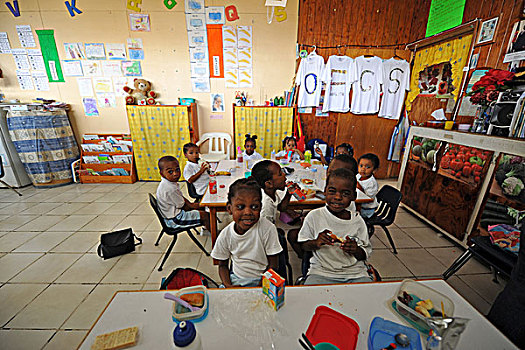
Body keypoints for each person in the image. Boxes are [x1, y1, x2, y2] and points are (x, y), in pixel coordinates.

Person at [298, 168, 372, 285]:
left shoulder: (358, 222)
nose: (337, 197)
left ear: (354, 196)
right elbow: (303, 245)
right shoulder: (314, 216)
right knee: (311, 297)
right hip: (321, 271)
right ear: (324, 192)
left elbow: (364, 254)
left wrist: (356, 249)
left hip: (354, 273)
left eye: (345, 193)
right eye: (332, 191)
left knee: (368, 296)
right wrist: (316, 242)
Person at [211, 178, 283, 287]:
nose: (248, 212)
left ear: (261, 207)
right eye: (240, 207)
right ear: (229, 208)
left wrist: (261, 285)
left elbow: (273, 265)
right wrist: (228, 286)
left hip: (263, 278)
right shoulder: (226, 235)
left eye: (254, 207)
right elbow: (222, 266)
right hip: (237, 279)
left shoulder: (267, 229)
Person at [251, 160, 303, 257]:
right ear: (269, 183)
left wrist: (289, 193)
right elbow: (264, 234)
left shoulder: (271, 192)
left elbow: (281, 208)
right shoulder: (266, 205)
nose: (284, 175)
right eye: (280, 174)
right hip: (263, 239)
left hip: (269, 229)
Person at [156, 155, 210, 232]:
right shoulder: (169, 189)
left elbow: (181, 200)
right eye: (170, 171)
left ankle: (207, 226)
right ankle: (216, 237)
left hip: (173, 212)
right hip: (175, 220)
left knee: (202, 207)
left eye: (177, 170)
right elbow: (183, 206)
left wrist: (193, 205)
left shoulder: (168, 183)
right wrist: (193, 206)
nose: (175, 174)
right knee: (205, 215)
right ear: (161, 174)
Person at [356, 153, 379, 218]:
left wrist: (358, 186)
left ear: (374, 170)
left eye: (367, 167)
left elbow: (368, 199)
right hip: (358, 204)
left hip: (366, 210)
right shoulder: (358, 176)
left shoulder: (372, 183)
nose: (363, 169)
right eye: (361, 166)